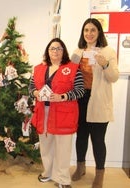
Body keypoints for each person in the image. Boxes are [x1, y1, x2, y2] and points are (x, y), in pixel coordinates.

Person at [29, 38, 84, 188]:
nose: (55, 51)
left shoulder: (73, 68)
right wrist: (35, 93)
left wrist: (62, 97)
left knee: (63, 148)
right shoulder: (39, 68)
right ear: (48, 51)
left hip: (64, 113)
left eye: (59, 48)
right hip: (43, 112)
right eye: (52, 48)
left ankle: (63, 180)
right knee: (46, 146)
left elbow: (80, 91)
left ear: (63, 51)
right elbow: (31, 86)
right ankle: (48, 172)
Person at [71, 18, 119, 188]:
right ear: (82, 33)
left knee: (98, 139)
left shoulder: (108, 51)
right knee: (81, 137)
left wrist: (105, 64)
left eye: (93, 30)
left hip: (98, 101)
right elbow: (69, 76)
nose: (89, 33)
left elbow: (114, 77)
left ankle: (100, 174)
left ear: (99, 32)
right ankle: (80, 168)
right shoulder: (77, 51)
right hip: (80, 100)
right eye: (86, 30)